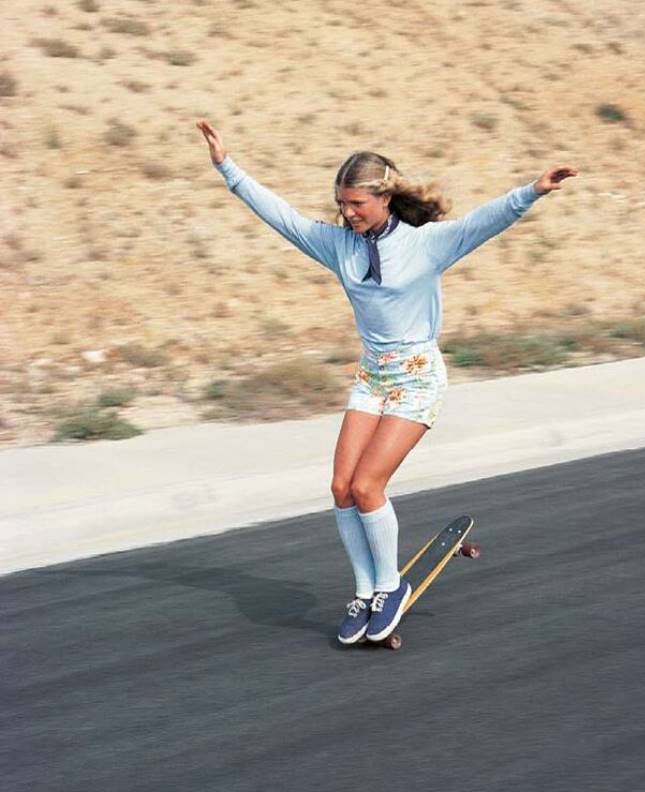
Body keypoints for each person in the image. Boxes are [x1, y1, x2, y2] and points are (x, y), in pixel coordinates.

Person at [196, 118, 577, 644]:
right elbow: (280, 216)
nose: (347, 213)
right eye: (342, 204)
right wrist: (227, 168)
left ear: (384, 199)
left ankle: (390, 588)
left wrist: (532, 191)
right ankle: (366, 590)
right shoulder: (338, 246)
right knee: (340, 488)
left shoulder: (426, 245)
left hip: (418, 376)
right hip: (372, 375)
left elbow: (486, 222)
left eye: (357, 203)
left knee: (368, 485)